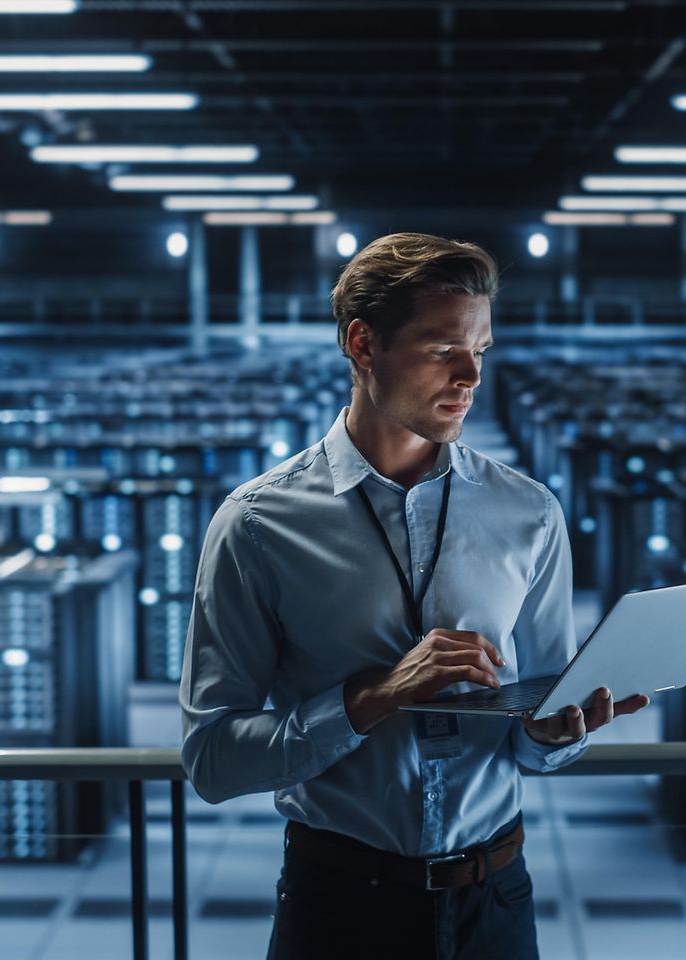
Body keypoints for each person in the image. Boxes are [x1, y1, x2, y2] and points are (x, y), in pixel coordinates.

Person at [179, 232, 649, 959]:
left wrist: (559, 735)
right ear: (363, 345)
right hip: (339, 908)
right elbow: (211, 758)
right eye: (441, 349)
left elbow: (540, 727)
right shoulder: (259, 524)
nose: (470, 376)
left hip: (496, 901)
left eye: (481, 351)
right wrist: (372, 698)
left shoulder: (528, 513)